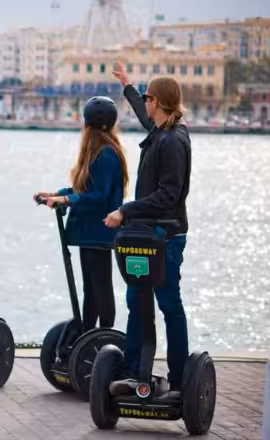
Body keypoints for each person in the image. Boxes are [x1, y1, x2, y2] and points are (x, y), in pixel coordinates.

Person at [105, 63, 192, 397]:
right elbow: (144, 116)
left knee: (169, 304)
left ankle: (181, 380)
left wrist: (124, 211)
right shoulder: (159, 130)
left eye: (147, 98)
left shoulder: (172, 141)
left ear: (158, 101)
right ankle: (134, 372)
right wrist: (129, 87)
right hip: (147, 234)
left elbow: (168, 196)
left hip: (167, 237)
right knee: (137, 300)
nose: (146, 103)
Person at [35, 96, 128, 332]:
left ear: (87, 125)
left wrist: (67, 199)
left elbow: (100, 196)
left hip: (98, 231)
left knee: (100, 287)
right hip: (89, 232)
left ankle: (105, 335)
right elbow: (84, 189)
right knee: (91, 288)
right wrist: (56, 194)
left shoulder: (106, 154)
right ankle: (87, 334)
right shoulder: (97, 152)